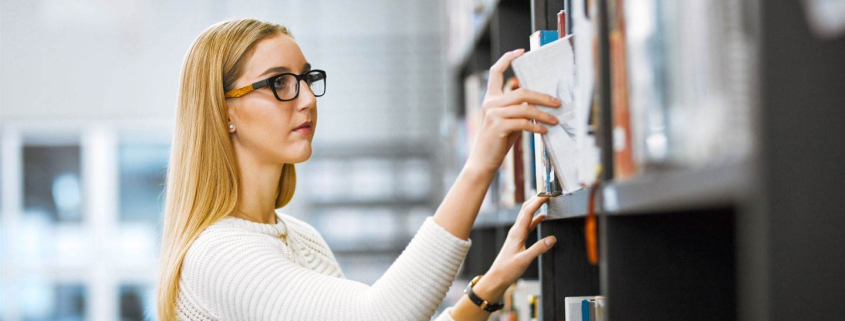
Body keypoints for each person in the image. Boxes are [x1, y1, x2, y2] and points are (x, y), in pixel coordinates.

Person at [155, 18, 562, 321]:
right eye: (279, 83)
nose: (308, 99)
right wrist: (481, 163)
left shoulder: (301, 239)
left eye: (306, 78)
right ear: (224, 111)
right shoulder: (218, 255)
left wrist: (486, 290)